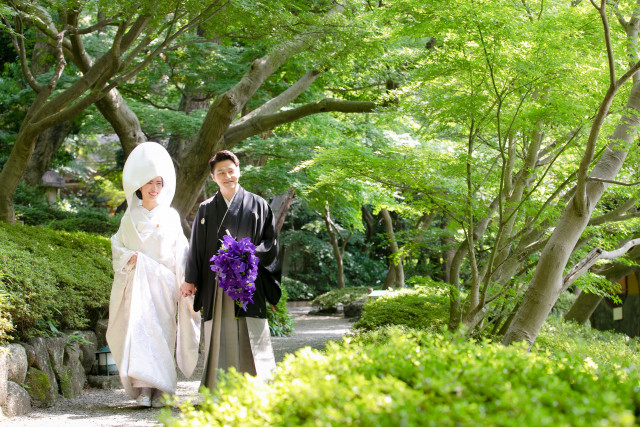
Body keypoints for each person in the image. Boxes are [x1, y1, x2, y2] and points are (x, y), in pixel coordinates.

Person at [107, 142, 201, 408]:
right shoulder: (130, 218)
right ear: (139, 186)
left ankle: (163, 388)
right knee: (139, 333)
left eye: (159, 183)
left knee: (162, 333)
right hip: (137, 285)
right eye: (149, 182)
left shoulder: (171, 216)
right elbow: (118, 246)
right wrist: (131, 257)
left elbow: (182, 252)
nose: (154, 188)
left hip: (163, 285)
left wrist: (186, 281)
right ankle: (144, 389)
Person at [180, 150, 281, 390]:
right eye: (220, 173)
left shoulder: (259, 204)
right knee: (220, 331)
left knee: (251, 329)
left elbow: (271, 243)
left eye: (230, 171)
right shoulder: (206, 209)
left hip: (248, 280)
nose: (227, 176)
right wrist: (191, 278)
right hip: (217, 282)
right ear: (213, 178)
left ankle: (259, 386)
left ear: (239, 171)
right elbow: (196, 248)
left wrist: (248, 256)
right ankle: (219, 387)